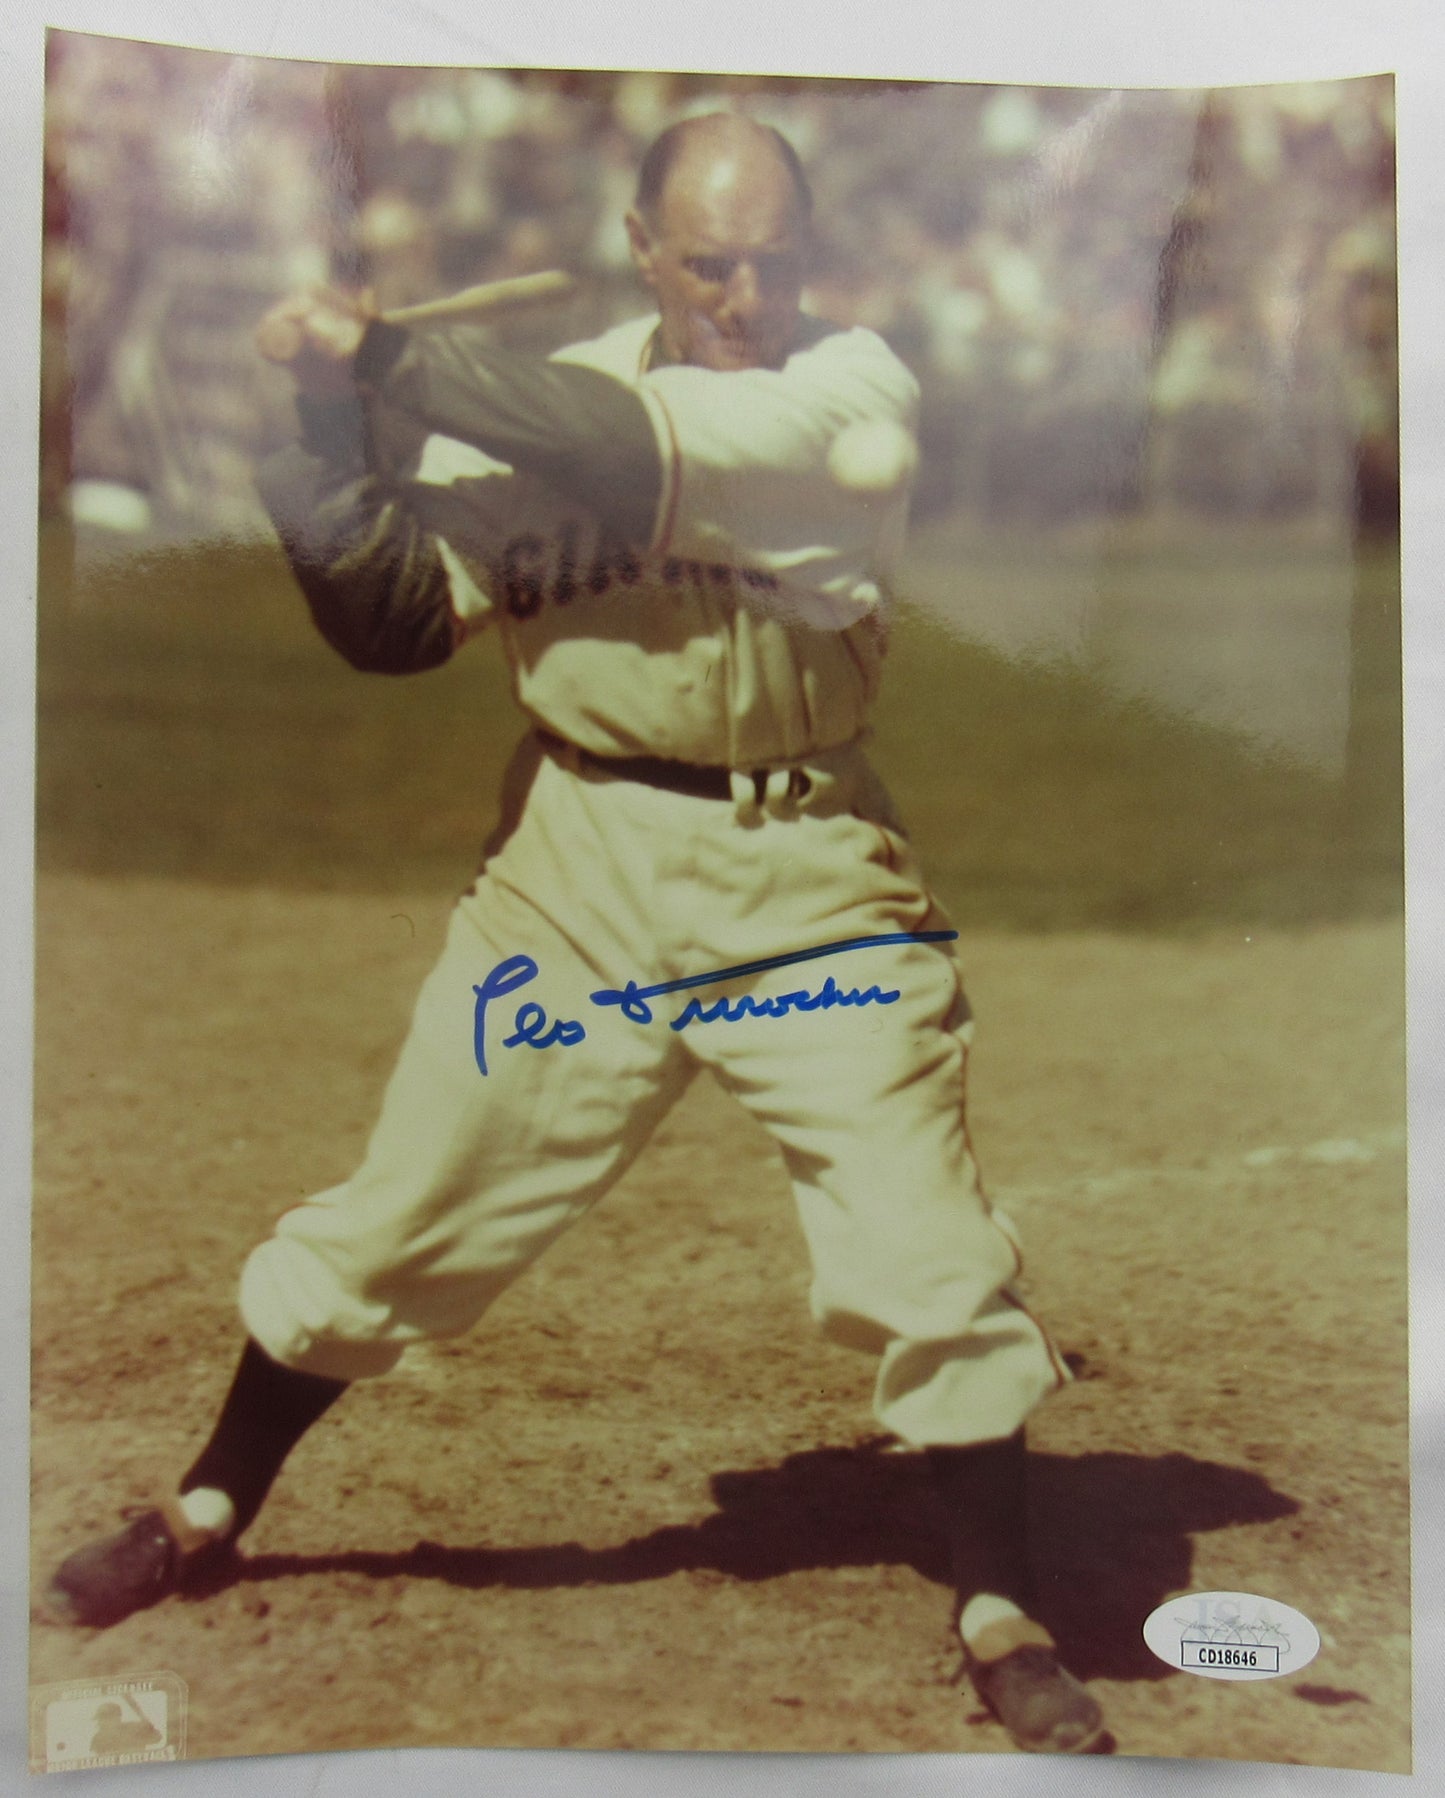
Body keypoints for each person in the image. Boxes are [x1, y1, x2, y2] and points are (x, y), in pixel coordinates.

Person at [40, 114, 1106, 1756]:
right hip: (576, 872)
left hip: (803, 877)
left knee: (925, 1244)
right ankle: (205, 1503)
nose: (743, 295)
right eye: (708, 262)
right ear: (641, 248)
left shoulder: (845, 391)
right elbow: (396, 621)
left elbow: (621, 450)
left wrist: (385, 352)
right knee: (407, 1209)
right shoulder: (541, 400)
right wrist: (322, 427)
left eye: (772, 262)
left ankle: (1001, 1609)